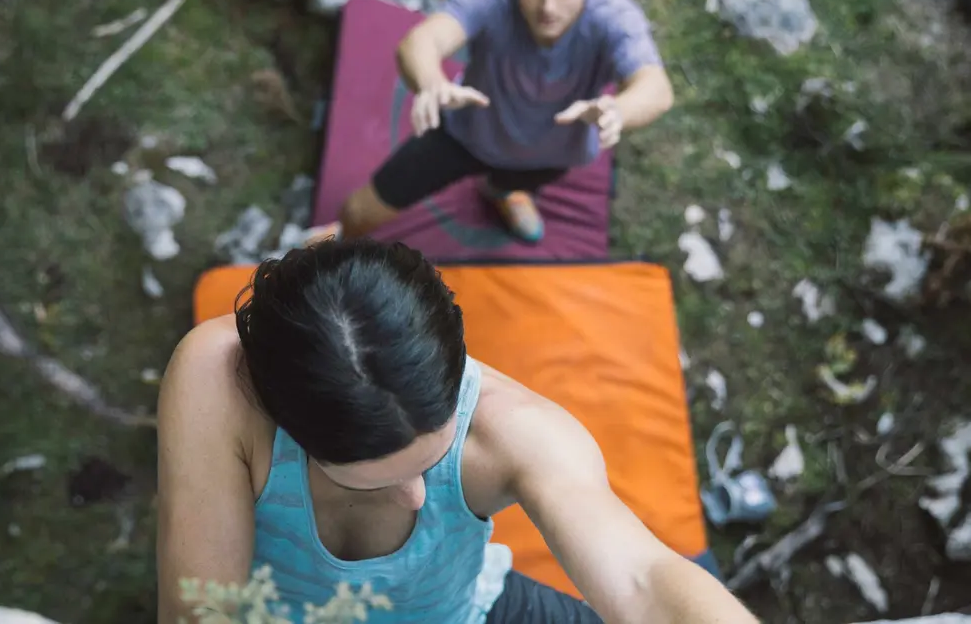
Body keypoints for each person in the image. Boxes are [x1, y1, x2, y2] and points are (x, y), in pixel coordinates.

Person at [156, 239, 758, 624]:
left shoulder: (517, 432)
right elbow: (205, 613)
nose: (415, 496)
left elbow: (643, 581)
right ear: (283, 417)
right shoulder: (221, 382)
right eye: (375, 481)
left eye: (429, 464)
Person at [302, 0, 674, 247]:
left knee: (507, 185)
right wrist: (432, 83)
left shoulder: (613, 15)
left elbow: (655, 87)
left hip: (551, 154)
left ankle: (502, 192)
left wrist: (617, 110)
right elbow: (422, 42)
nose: (549, 7)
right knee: (358, 213)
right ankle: (333, 243)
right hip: (463, 134)